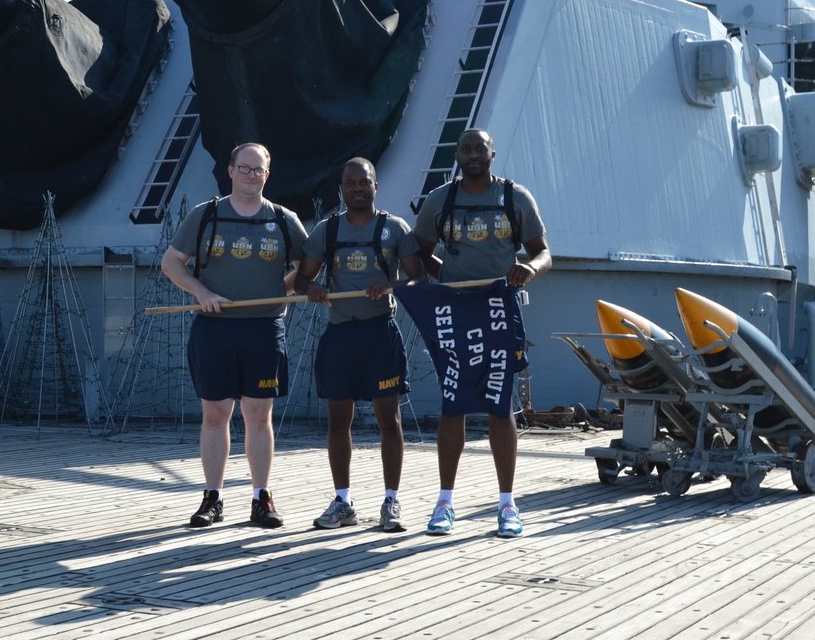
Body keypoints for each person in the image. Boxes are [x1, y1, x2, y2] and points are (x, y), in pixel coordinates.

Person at [161, 143, 308, 529]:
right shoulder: (206, 215)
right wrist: (202, 292)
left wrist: (282, 291)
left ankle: (262, 497)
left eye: (258, 171)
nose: (250, 176)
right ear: (230, 170)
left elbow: (306, 268)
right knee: (215, 414)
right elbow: (171, 262)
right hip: (215, 328)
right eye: (244, 168)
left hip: (264, 329)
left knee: (259, 416)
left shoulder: (282, 218)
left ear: (267, 175)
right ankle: (213, 497)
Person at [413, 129, 551, 538]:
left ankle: (507, 504)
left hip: (498, 307)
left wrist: (529, 269)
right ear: (457, 155)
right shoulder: (440, 200)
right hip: (455, 311)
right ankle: (444, 502)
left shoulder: (515, 198)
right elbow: (418, 255)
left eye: (480, 148)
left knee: (499, 402)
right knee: (452, 401)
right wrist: (450, 283)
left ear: (493, 153)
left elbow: (543, 252)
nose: (473, 154)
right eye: (466, 148)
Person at [294, 158, 426, 532]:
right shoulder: (327, 230)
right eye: (349, 183)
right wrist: (314, 288)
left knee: (389, 420)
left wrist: (392, 286)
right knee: (338, 422)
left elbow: (419, 278)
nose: (356, 188)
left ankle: (391, 501)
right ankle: (343, 501)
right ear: (341, 189)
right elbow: (302, 281)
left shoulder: (394, 228)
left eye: (363, 182)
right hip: (339, 336)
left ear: (375, 187)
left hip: (380, 334)